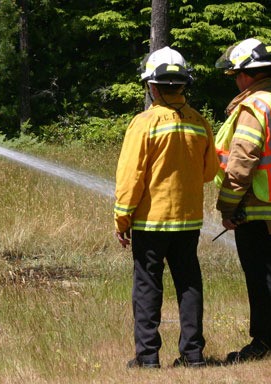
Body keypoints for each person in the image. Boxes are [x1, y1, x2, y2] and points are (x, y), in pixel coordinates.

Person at [113, 47, 219, 368]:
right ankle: (193, 355)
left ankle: (147, 359)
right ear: (183, 85)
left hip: (150, 222)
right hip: (188, 222)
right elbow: (209, 172)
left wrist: (122, 218)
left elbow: (131, 176)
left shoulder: (144, 123)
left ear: (153, 86)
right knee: (189, 284)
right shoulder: (200, 123)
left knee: (147, 287)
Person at [213, 38, 271, 363]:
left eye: (236, 74)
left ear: (248, 74)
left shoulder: (254, 107)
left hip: (254, 203)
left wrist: (228, 204)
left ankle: (263, 341)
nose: (235, 80)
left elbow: (242, 161)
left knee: (260, 274)